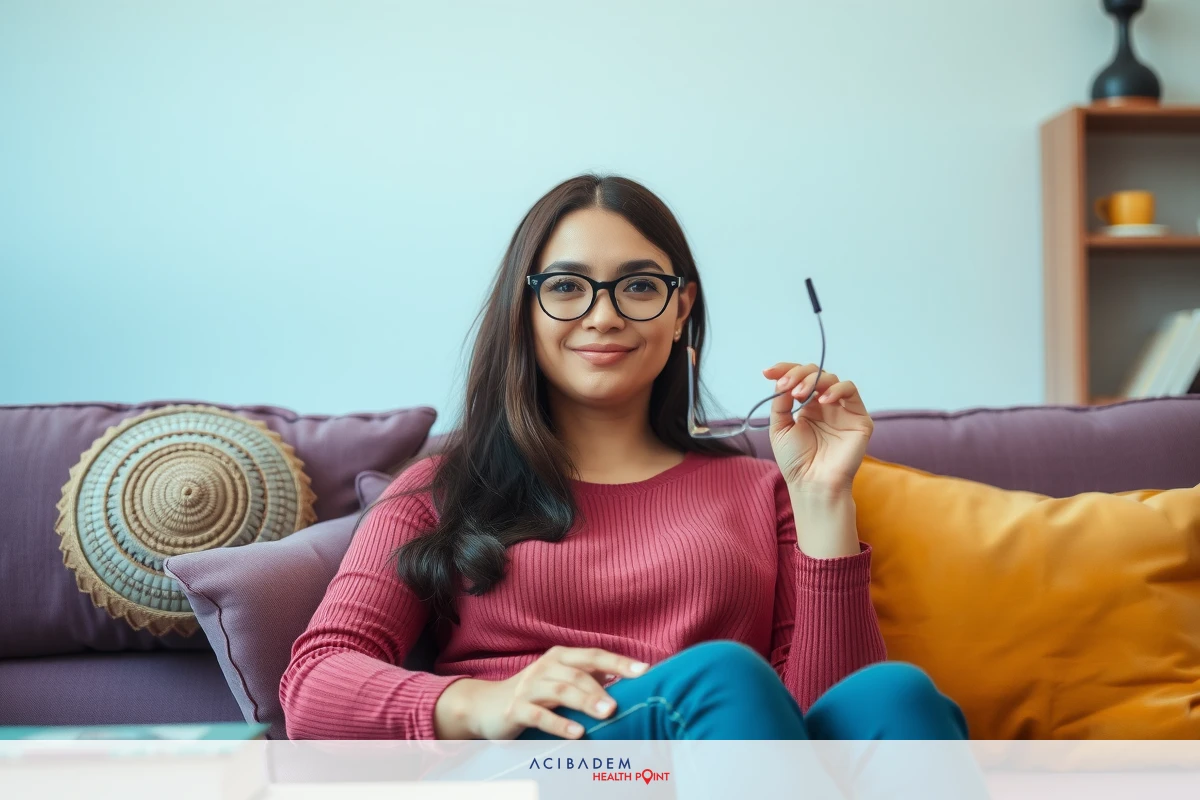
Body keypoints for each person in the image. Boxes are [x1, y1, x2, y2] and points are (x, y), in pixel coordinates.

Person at [278, 174, 968, 745]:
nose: (603, 315)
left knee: (896, 696)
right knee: (721, 676)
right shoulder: (446, 487)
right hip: (557, 766)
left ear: (680, 309)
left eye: (638, 287)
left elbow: (822, 723)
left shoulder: (763, 492)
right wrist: (479, 703)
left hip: (734, 756)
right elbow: (314, 681)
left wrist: (823, 501)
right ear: (525, 310)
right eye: (567, 286)